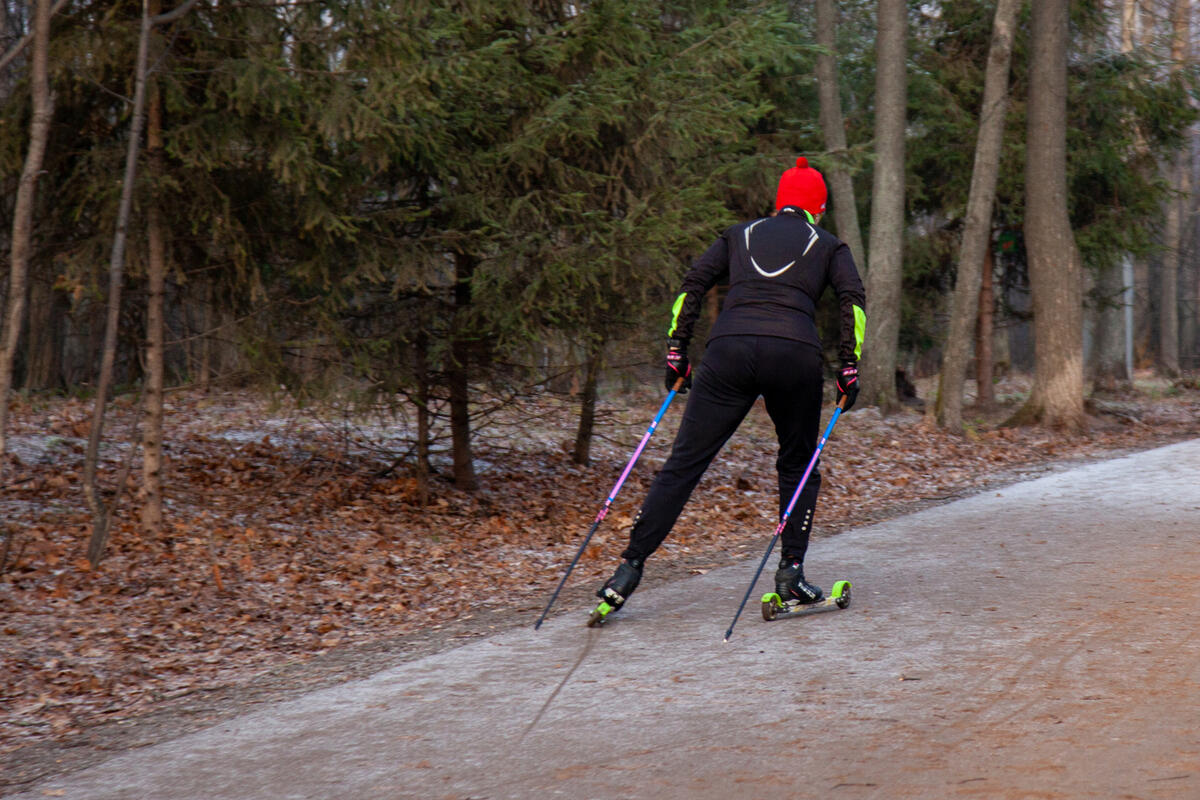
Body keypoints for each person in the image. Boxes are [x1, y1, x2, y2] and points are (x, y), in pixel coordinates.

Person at [596, 157, 866, 615]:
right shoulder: (829, 244)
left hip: (729, 352)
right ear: (817, 209)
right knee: (798, 463)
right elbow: (852, 301)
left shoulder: (738, 235)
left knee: (685, 462)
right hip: (794, 355)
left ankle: (629, 568)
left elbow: (694, 284)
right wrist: (849, 367)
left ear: (779, 203)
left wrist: (677, 350)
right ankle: (790, 573)